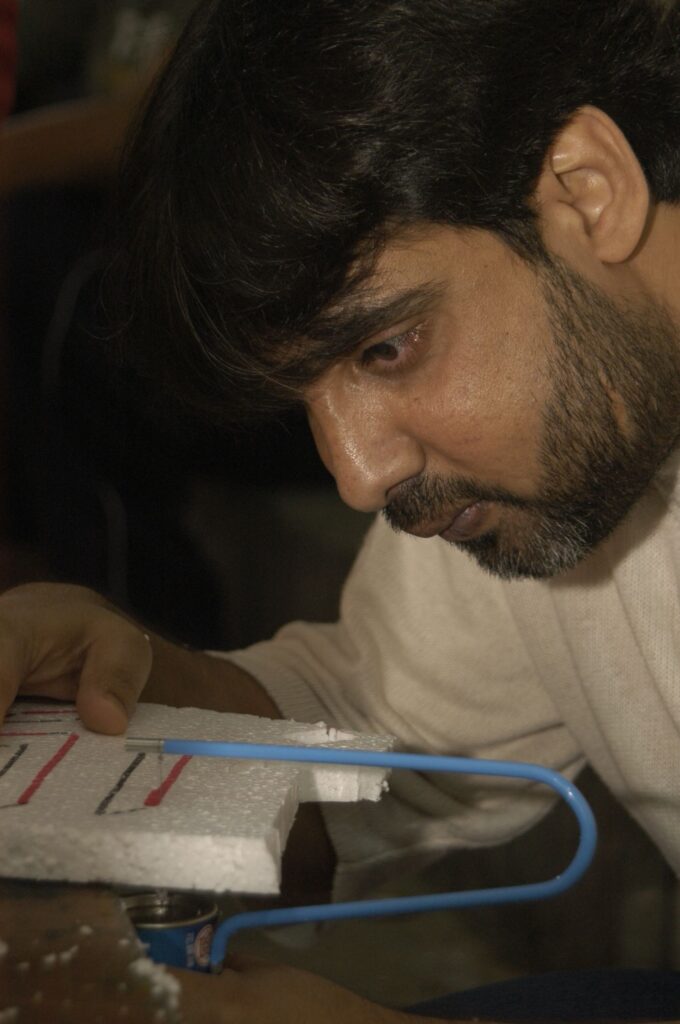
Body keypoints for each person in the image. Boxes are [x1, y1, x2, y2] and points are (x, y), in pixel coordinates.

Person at [2, 0, 680, 1019]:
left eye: (385, 348)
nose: (357, 476)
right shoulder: (560, 446)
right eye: (306, 397)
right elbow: (383, 728)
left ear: (589, 191)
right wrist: (132, 693)